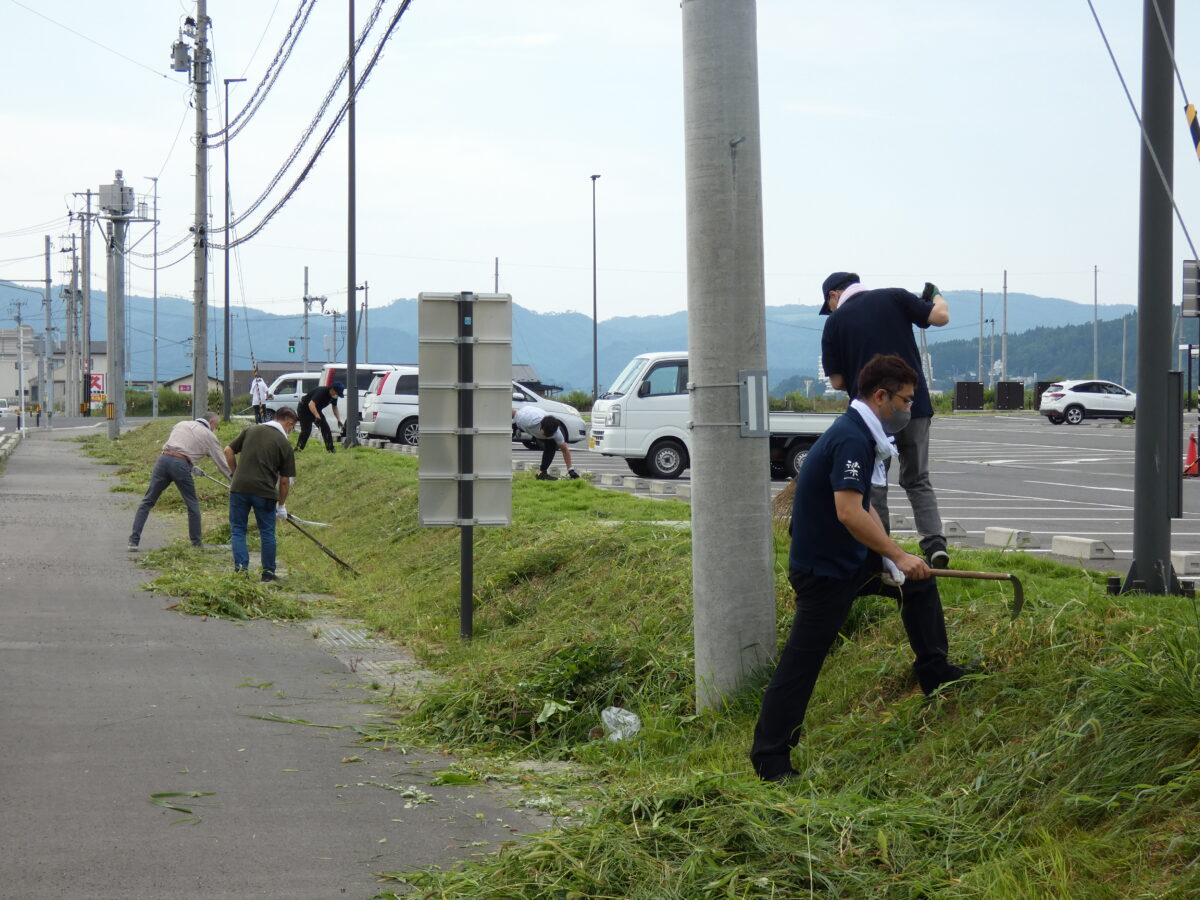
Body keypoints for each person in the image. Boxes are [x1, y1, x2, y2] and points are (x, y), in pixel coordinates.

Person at [750, 354, 967, 783]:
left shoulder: (863, 435)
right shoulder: (851, 439)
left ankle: (937, 674)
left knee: (916, 583)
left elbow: (863, 503)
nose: (908, 409)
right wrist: (898, 554)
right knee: (802, 663)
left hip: (850, 559)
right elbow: (848, 511)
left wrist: (894, 557)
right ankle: (770, 759)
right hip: (825, 571)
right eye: (905, 400)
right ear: (880, 396)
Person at [819, 271, 951, 568]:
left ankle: (882, 553)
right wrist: (936, 296)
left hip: (873, 415)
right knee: (917, 479)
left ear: (833, 296)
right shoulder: (894, 296)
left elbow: (838, 381)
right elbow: (940, 317)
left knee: (875, 482)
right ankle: (934, 544)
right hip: (913, 405)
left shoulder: (835, 322)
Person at [127, 412, 231, 552]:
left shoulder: (181, 424)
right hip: (181, 464)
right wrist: (235, 482)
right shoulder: (209, 435)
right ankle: (196, 544)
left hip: (163, 460)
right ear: (211, 422)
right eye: (216, 426)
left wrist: (191, 465)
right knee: (192, 504)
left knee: (147, 501)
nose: (215, 429)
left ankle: (133, 541)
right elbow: (222, 465)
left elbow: (179, 444)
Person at [223, 406, 298, 582]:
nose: (291, 430)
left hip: (239, 489)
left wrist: (235, 474)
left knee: (238, 530)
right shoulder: (284, 444)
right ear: (288, 422)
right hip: (264, 493)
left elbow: (228, 451)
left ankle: (241, 571)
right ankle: (268, 573)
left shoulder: (252, 429)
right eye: (292, 426)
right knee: (267, 532)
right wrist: (281, 506)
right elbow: (285, 481)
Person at [513, 406, 579, 481]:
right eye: (545, 434)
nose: (546, 436)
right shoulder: (525, 418)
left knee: (552, 445)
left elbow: (565, 449)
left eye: (550, 435)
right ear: (541, 427)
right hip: (523, 420)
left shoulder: (557, 433)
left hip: (531, 426)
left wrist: (571, 470)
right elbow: (511, 412)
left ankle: (542, 473)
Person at [296, 381, 344, 452]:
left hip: (316, 409)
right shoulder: (321, 391)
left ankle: (330, 449)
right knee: (306, 431)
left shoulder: (334, 396)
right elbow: (311, 404)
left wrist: (339, 419)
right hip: (304, 409)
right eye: (337, 394)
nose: (337, 396)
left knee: (326, 428)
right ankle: (298, 449)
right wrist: (317, 416)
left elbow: (334, 407)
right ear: (332, 390)